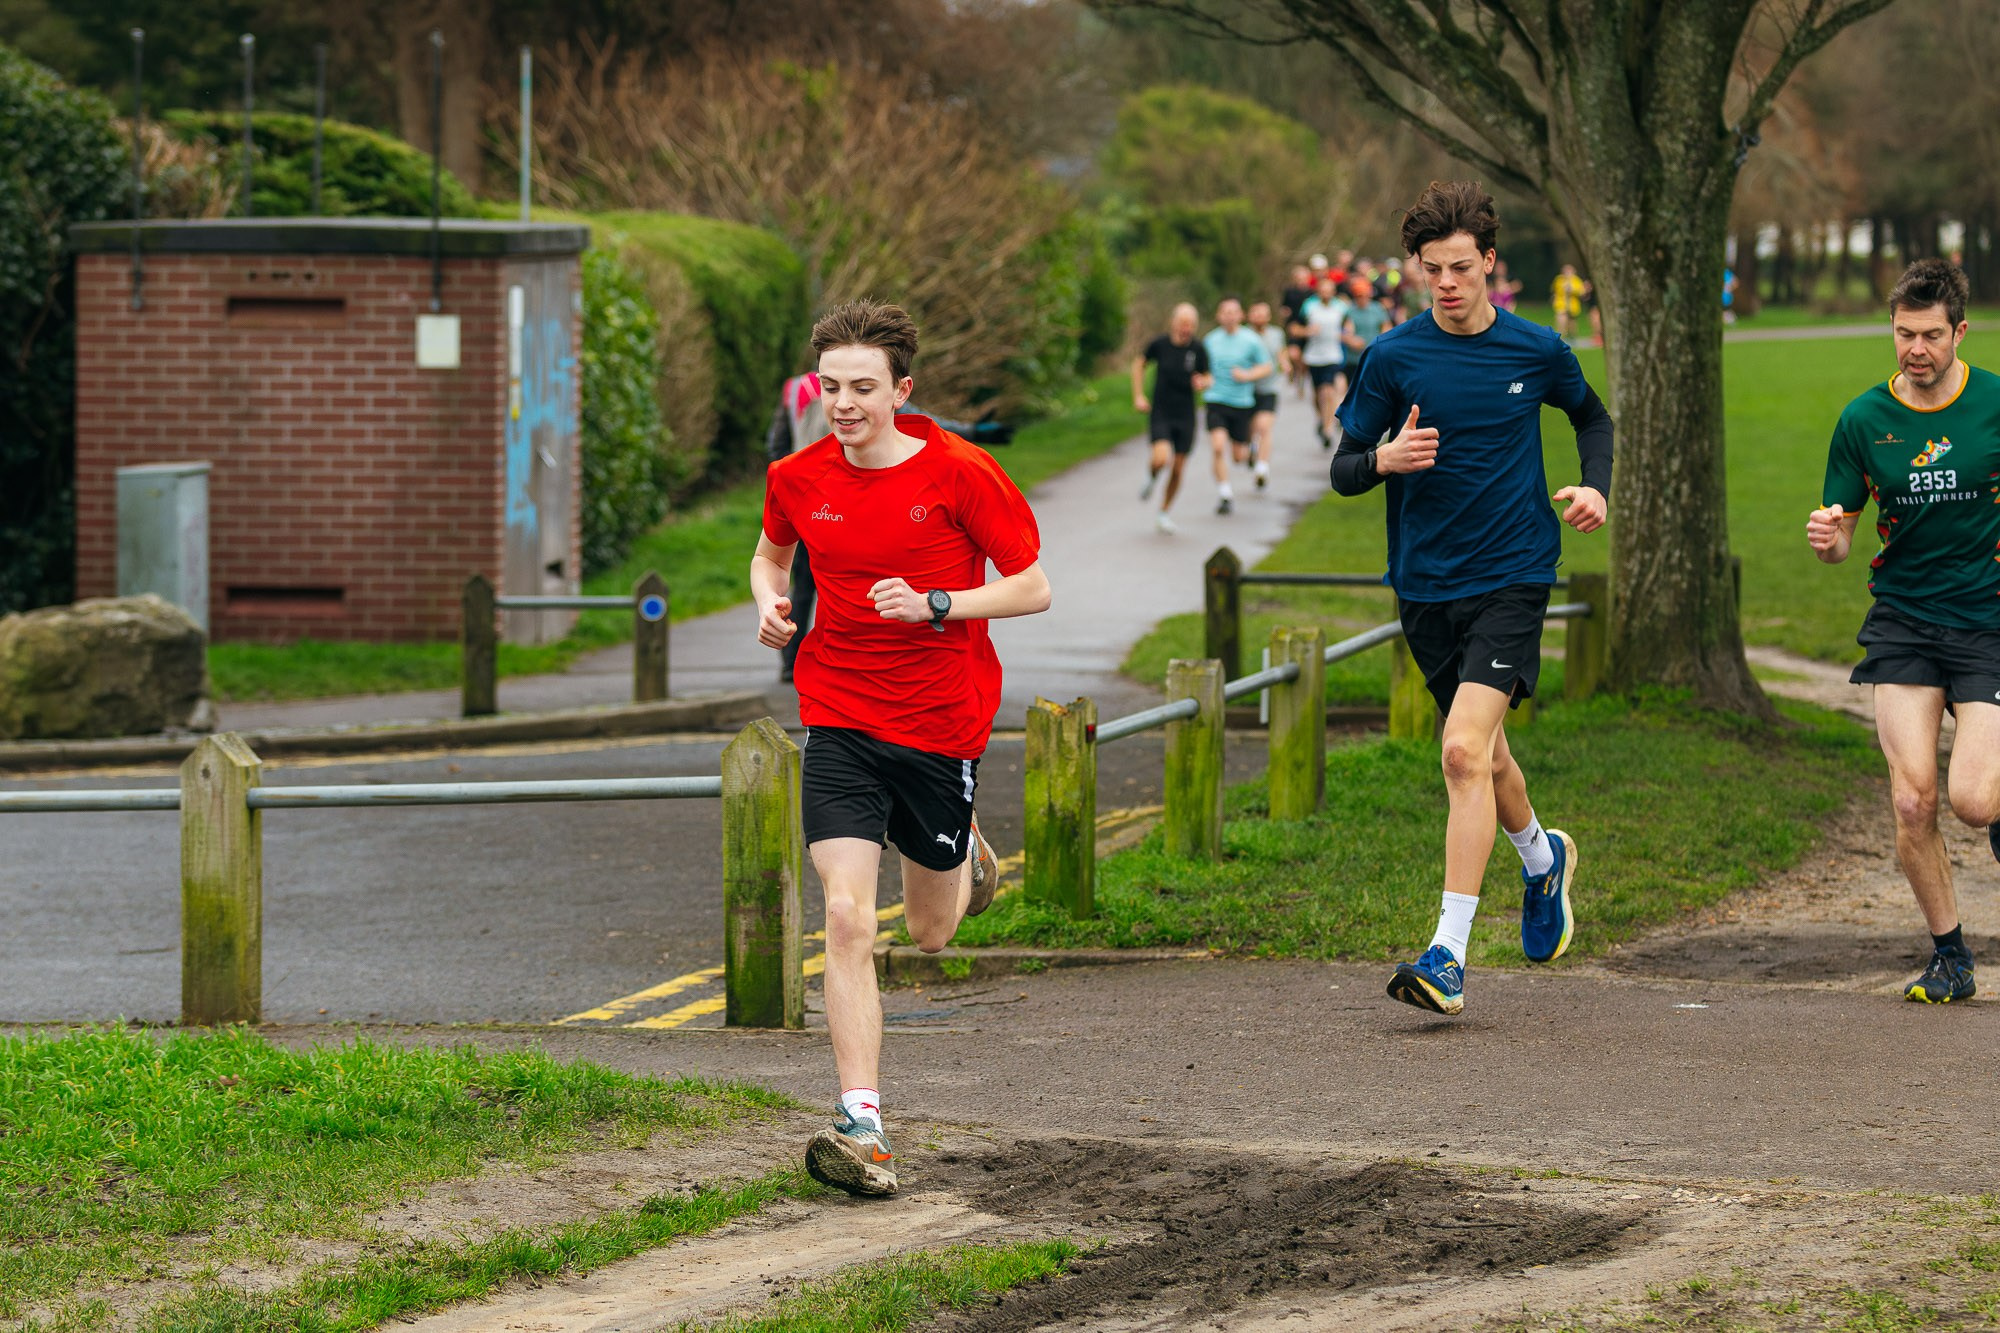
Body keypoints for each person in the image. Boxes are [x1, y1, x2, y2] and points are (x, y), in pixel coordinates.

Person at [753, 298, 1052, 1194]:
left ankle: (963, 854)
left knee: (927, 933)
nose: (843, 404)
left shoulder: (961, 473)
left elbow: (1033, 586)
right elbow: (770, 554)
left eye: (862, 388)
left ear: (902, 389)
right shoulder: (798, 476)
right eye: (831, 386)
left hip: (939, 720)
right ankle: (863, 1124)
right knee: (846, 914)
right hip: (838, 709)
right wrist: (768, 602)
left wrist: (937, 604)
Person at [1331, 180, 1613, 1017]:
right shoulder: (1392, 358)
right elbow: (1346, 469)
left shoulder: (1536, 349)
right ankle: (1541, 860)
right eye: (1433, 270)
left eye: (1462, 267)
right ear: (1417, 270)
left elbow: (1593, 418)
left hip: (1515, 574)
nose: (1448, 283)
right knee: (1483, 754)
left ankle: (1448, 952)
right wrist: (1386, 460)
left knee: (1459, 751)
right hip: (1425, 584)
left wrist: (1595, 488)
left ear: (1490, 263)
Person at [1807, 257, 2000, 1004]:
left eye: (1929, 335)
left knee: (1977, 801)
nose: (1915, 349)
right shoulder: (1863, 420)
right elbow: (1844, 531)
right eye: (1902, 334)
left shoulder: (1992, 403)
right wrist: (1829, 538)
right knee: (1914, 800)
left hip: (1987, 615)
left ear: (1960, 331)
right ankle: (1951, 957)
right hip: (1905, 621)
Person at [765, 371, 828, 682]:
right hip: (841, 496)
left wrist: (787, 487)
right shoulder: (863, 383)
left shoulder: (794, 389)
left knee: (802, 587)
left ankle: (792, 660)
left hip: (802, 500)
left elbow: (776, 443)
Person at [1132, 303, 1214, 534]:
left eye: (1190, 324)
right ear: (1173, 323)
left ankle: (1164, 512)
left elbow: (1208, 377)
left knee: (1178, 468)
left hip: (1186, 414)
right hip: (1161, 411)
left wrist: (1203, 382)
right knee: (1160, 459)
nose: (1186, 328)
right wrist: (1138, 395)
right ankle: (1152, 475)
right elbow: (1138, 364)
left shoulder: (1198, 349)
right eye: (1182, 323)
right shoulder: (1159, 344)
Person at [1202, 296, 1275, 512]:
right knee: (1217, 447)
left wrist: (1247, 375)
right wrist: (1202, 380)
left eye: (1233, 312)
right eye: (1225, 312)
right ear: (1218, 316)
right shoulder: (1210, 340)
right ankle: (1225, 494)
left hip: (1241, 403)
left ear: (1241, 315)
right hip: (1215, 400)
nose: (1229, 316)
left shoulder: (1251, 339)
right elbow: (1202, 369)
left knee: (1238, 457)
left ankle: (1251, 451)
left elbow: (1267, 367)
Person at [1294, 274, 1352, 448]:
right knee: (1317, 394)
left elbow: (1348, 325)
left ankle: (1327, 429)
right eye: (1322, 289)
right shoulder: (1309, 306)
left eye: (1329, 289)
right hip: (1313, 356)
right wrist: (1307, 331)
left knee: (1328, 391)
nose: (1326, 292)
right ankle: (1322, 419)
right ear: (1318, 290)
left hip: (1333, 355)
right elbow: (1294, 328)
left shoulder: (1341, 307)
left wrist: (1346, 334)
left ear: (1333, 291)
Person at [1247, 300, 1288, 486]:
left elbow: (1281, 353)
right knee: (1251, 428)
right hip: (1246, 390)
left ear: (1269, 316)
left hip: (1269, 388)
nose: (1260, 317)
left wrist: (1285, 364)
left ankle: (1262, 468)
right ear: (1249, 315)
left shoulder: (1276, 334)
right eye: (1256, 313)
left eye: (1263, 313)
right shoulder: (1244, 335)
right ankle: (1251, 447)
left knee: (1264, 427)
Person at [1341, 274, 1392, 390]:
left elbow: (1386, 328)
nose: (1362, 299)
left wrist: (1379, 343)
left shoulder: (1377, 309)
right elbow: (1346, 331)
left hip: (1374, 358)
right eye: (1359, 296)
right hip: (1355, 360)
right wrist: (1351, 340)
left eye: (1364, 295)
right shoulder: (1350, 311)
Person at [1280, 264, 1315, 397]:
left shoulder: (1312, 293)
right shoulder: (1289, 291)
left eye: (1303, 277)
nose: (1301, 280)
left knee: (1305, 360)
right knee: (1294, 354)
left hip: (1307, 328)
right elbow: (1284, 307)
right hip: (1293, 327)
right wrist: (1284, 313)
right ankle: (1296, 371)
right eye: (1298, 278)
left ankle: (1300, 378)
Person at [1550, 263, 1587, 342]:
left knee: (1572, 323)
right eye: (1565, 270)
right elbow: (1555, 290)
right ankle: (1560, 337)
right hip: (1561, 304)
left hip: (1573, 305)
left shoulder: (1576, 280)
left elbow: (1582, 292)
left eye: (1569, 270)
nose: (1567, 272)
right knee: (1561, 319)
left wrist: (1572, 289)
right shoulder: (1559, 279)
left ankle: (1572, 336)